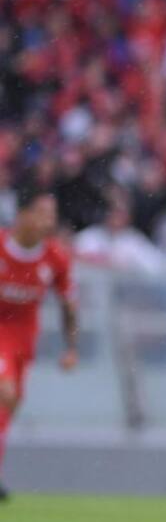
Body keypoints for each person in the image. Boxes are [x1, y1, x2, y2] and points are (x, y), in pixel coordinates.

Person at [0, 185, 79, 501]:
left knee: (10, 407)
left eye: (53, 215)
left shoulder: (55, 258)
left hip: (24, 338)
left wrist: (71, 348)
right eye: (42, 213)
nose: (49, 221)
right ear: (22, 215)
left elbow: (68, 306)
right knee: (5, 393)